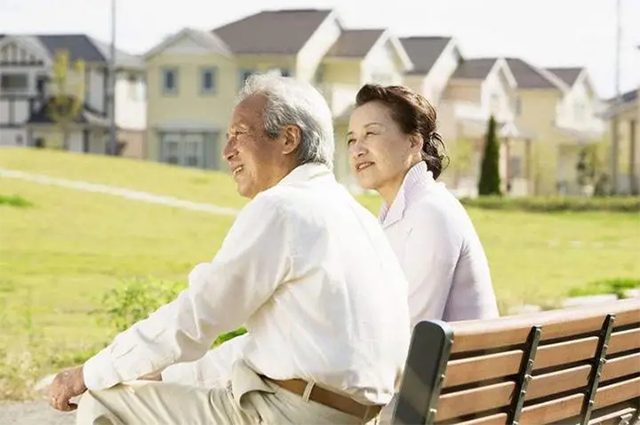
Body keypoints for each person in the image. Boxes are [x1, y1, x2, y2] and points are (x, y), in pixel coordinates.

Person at [48, 74, 411, 425]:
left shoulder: (282, 208)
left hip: (290, 415)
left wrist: (90, 373)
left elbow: (196, 316)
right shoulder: (355, 219)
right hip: (353, 416)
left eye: (239, 134)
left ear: (288, 139)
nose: (226, 152)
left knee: (103, 401)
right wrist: (168, 375)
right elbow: (267, 346)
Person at [347, 83, 499, 327]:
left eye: (371, 134)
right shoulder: (396, 216)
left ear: (414, 142)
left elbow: (413, 327)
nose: (357, 150)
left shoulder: (431, 212)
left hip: (452, 364)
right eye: (351, 140)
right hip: (444, 362)